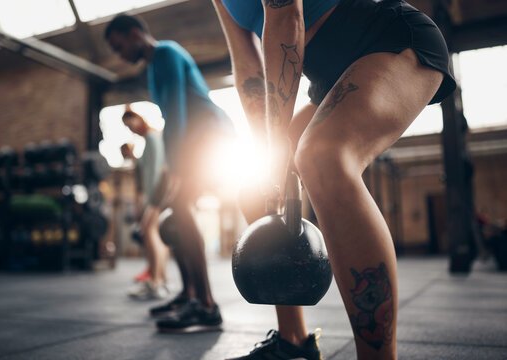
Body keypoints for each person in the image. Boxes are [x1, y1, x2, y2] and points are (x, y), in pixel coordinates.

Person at [212, 0, 456, 359]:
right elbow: (248, 65)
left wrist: (279, 140)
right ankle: (293, 342)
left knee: (321, 157)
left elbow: (286, 17)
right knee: (256, 190)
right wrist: (268, 149)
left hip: (387, 41)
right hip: (326, 79)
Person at [105, 14, 235, 333]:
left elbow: (176, 112)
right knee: (174, 215)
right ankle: (189, 294)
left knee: (180, 207)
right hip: (192, 139)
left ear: (135, 33)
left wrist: (174, 168)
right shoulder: (153, 67)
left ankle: (206, 305)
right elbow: (170, 118)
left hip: (208, 136)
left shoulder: (165, 52)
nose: (119, 55)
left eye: (119, 46)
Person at [119, 106, 171, 300]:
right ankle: (160, 281)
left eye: (131, 121)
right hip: (155, 195)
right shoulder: (147, 140)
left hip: (158, 195)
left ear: (139, 118)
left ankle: (155, 283)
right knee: (156, 235)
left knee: (147, 231)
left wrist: (153, 201)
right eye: (127, 126)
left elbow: (159, 170)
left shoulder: (152, 137)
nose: (130, 127)